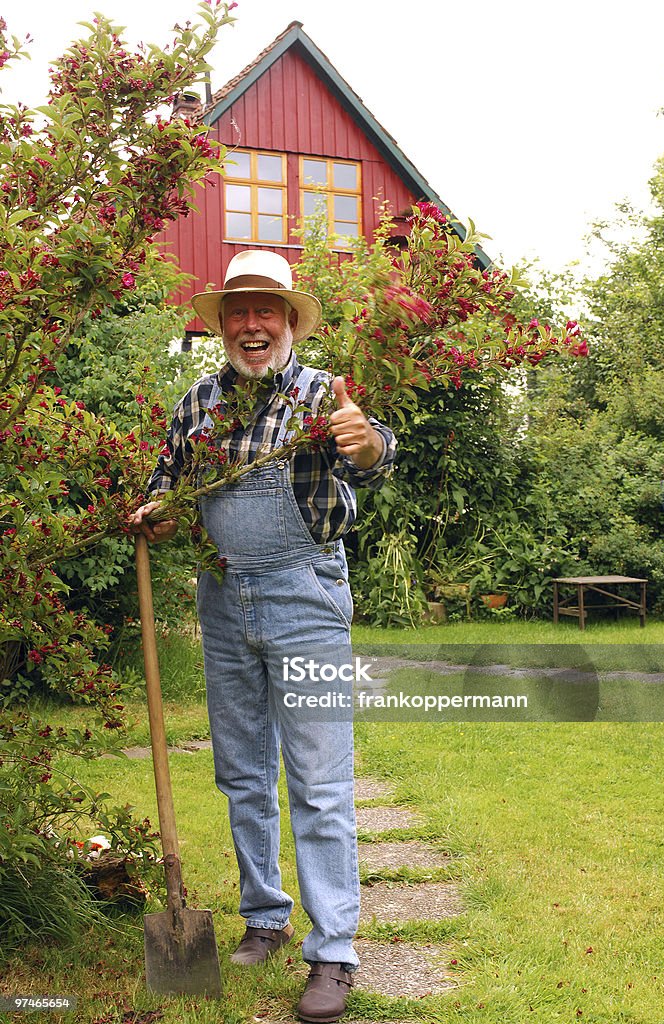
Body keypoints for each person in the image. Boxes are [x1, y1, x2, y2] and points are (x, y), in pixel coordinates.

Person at [131, 249, 397, 1023]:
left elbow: (377, 450)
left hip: (305, 597)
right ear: (221, 326)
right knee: (242, 770)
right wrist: (152, 508)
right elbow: (166, 476)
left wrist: (366, 441)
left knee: (318, 780)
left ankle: (334, 952)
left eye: (266, 310)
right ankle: (266, 918)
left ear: (286, 321)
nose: (253, 324)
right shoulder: (199, 403)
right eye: (238, 312)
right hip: (222, 600)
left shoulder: (321, 394)